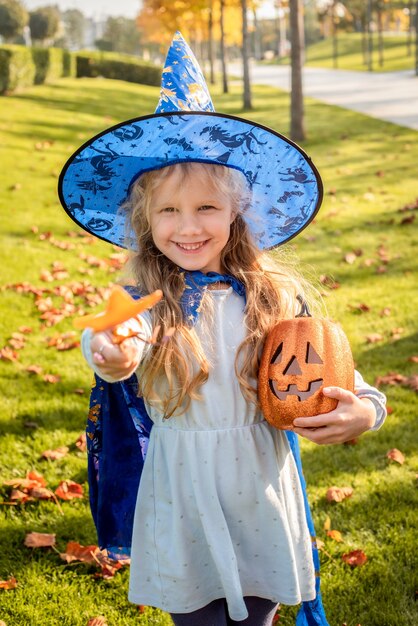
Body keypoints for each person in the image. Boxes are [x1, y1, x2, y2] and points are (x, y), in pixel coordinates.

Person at [59, 33, 386, 626]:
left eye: (207, 207)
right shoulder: (147, 303)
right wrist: (109, 349)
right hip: (183, 496)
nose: (188, 226)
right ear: (144, 219)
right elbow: (111, 346)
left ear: (236, 212)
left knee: (258, 614)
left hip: (259, 490)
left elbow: (333, 373)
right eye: (169, 211)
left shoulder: (276, 296)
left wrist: (365, 410)